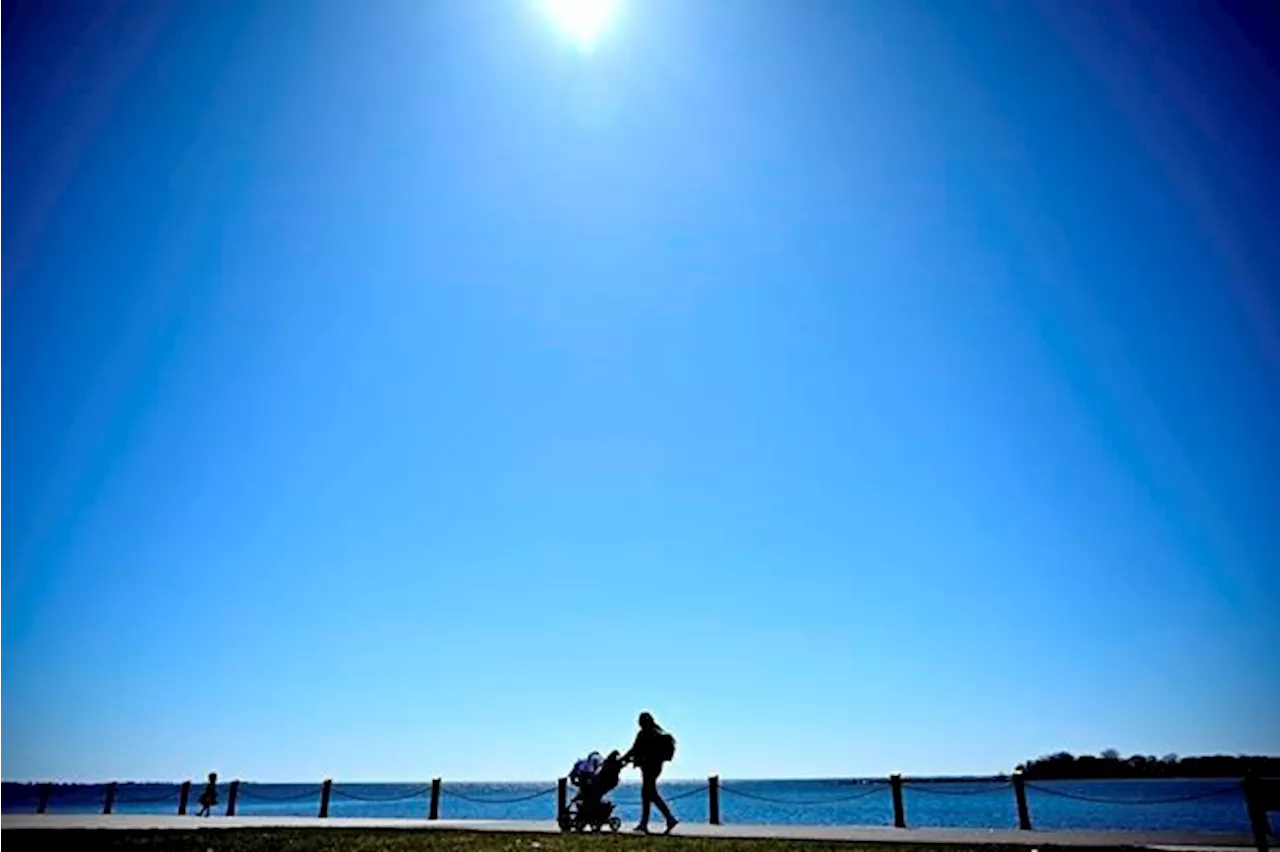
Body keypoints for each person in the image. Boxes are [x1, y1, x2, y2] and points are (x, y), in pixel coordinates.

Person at [620, 712, 678, 834]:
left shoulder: (651, 735)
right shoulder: (645, 733)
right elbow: (634, 749)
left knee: (649, 794)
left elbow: (635, 750)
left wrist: (624, 759)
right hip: (649, 768)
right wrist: (624, 759)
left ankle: (666, 819)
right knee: (648, 795)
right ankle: (648, 822)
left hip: (651, 768)